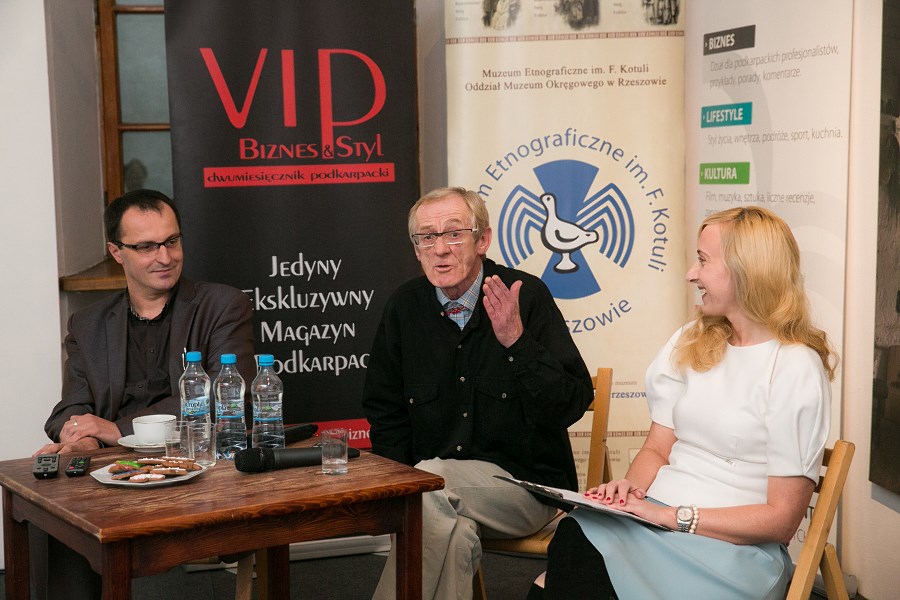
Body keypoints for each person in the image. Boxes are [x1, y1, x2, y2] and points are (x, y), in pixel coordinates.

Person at [529, 206, 837, 599]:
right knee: (575, 535)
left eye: (704, 261)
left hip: (731, 552)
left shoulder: (795, 367)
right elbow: (657, 449)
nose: (692, 273)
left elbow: (781, 520)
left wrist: (668, 516)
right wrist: (628, 493)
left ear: (747, 271)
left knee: (565, 574)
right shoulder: (693, 339)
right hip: (657, 522)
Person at [363, 187, 594, 600]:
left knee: (430, 485)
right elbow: (386, 411)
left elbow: (571, 403)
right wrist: (396, 493)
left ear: (482, 240)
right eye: (427, 237)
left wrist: (516, 342)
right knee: (451, 533)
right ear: (416, 249)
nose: (440, 250)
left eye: (454, 234)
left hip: (526, 488)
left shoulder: (526, 295)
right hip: (441, 498)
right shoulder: (404, 307)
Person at [32, 189, 256, 600]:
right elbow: (71, 406)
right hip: (113, 471)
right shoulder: (88, 323)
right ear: (116, 252)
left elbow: (224, 397)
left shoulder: (222, 305)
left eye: (172, 241)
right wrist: (82, 437)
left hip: (197, 464)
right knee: (53, 504)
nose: (165, 257)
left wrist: (115, 430)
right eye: (147, 246)